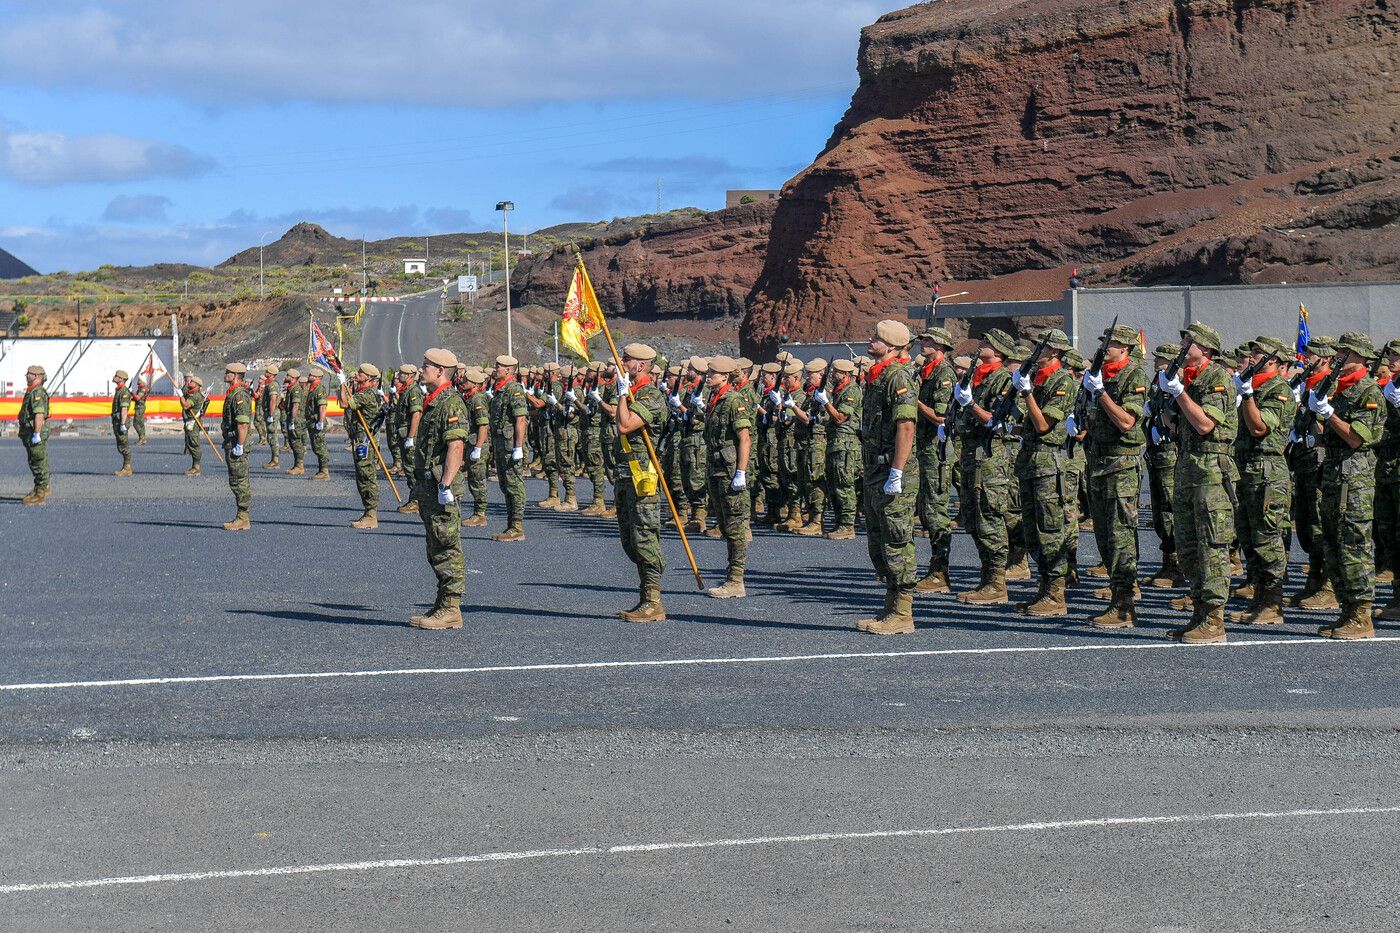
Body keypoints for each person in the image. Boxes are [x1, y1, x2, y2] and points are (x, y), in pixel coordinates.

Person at [1157, 322, 1237, 643]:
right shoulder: (1187, 378)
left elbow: (1205, 424)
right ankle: (1199, 613)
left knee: (1212, 543)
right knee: (1188, 542)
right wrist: (1165, 399)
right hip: (1187, 464)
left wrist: (1179, 393)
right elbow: (1178, 428)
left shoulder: (1216, 377)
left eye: (1188, 341)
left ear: (1204, 349)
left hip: (1211, 469)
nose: (1182, 345)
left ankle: (1215, 620)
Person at [1310, 333, 1387, 639]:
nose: (1338, 356)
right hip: (1334, 475)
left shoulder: (1368, 391)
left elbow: (1356, 437)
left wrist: (1329, 414)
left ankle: (1362, 616)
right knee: (1333, 543)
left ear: (1360, 356)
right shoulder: (1341, 389)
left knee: (1354, 545)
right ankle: (1346, 611)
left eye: (1345, 352)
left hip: (1354, 480)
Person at [1080, 323, 1149, 628]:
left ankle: (1124, 605)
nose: (1104, 347)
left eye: (1112, 343)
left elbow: (1126, 422)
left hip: (1122, 464)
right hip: (1098, 462)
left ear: (1126, 348)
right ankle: (1116, 593)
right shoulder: (1100, 374)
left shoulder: (1134, 375)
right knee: (1104, 536)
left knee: (1121, 535)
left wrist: (1101, 393)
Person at [856, 320, 920, 634]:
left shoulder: (898, 377)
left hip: (893, 470)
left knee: (896, 540)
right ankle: (889, 608)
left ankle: (903, 614)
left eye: (876, 337)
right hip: (875, 469)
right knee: (878, 540)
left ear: (891, 346)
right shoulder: (878, 376)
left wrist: (896, 471)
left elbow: (906, 427)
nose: (871, 339)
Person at [1228, 336, 1297, 625]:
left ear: (1274, 361)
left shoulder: (1278, 389)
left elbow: (1259, 428)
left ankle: (1273, 604)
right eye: (1252, 351)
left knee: (1267, 539)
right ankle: (1258, 599)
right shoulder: (1255, 386)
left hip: (1268, 471)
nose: (1251, 356)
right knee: (1248, 536)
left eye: (1258, 353)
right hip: (1247, 469)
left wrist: (1246, 397)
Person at [1012, 328, 1079, 617]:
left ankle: (1056, 595)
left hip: (1049, 465)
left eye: (1042, 347)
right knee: (1033, 530)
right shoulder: (1041, 380)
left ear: (1055, 352)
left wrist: (1026, 393)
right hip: (1030, 462)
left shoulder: (1062, 381)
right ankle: (1043, 588)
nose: (1036, 351)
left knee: (1051, 530)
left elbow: (1043, 425)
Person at [953, 328, 1019, 605]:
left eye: (988, 342)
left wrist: (969, 405)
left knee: (990, 519)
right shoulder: (979, 378)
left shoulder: (1004, 380)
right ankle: (987, 578)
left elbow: (997, 421)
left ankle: (997, 583)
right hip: (971, 455)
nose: (982, 343)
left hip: (991, 458)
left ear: (1000, 351)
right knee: (975, 519)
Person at [408, 348, 470, 631]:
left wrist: (446, 483)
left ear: (440, 371)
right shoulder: (434, 400)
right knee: (435, 544)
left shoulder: (451, 403)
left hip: (440, 486)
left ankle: (451, 608)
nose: (422, 370)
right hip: (429, 485)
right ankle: (442, 601)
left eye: (426, 366)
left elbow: (456, 446)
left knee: (446, 544)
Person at [613, 343, 668, 621]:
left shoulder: (651, 397)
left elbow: (624, 424)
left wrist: (623, 394)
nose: (622, 362)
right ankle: (644, 594)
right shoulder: (634, 393)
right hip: (625, 475)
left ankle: (653, 600)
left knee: (644, 537)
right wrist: (624, 392)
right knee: (629, 540)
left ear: (642, 365)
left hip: (643, 477)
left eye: (627, 360)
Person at [1287, 336, 1337, 609]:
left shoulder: (1332, 383)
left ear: (1327, 359)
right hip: (1305, 458)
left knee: (1321, 523)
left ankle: (1328, 587)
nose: (1307, 358)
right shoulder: (1309, 383)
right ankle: (1314, 580)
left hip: (1320, 459)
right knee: (1306, 524)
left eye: (1314, 354)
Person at [700, 356, 753, 597]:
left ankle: (736, 580)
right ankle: (731, 577)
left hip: (730, 472)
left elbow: (744, 437)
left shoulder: (733, 400)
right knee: (724, 524)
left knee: (734, 527)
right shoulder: (715, 398)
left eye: (713, 373)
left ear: (724, 376)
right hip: (716, 470)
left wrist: (741, 472)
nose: (707, 376)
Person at [912, 327, 956, 590]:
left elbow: (941, 417)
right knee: (927, 511)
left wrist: (914, 401)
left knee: (937, 512)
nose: (923, 344)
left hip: (936, 450)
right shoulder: (925, 372)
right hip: (923, 448)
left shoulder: (944, 374)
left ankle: (941, 572)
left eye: (928, 341)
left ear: (940, 345)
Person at [1144, 343, 1184, 587]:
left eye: (1160, 358)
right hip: (1157, 452)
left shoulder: (1175, 387)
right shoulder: (1158, 385)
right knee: (1159, 510)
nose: (1156, 362)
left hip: (1171, 452)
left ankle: (1176, 566)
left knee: (1171, 508)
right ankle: (1166, 563)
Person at [488, 355, 529, 542]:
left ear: (508, 370)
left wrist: (518, 447)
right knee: (506, 484)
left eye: (499, 366)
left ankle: (517, 526)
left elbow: (521, 419)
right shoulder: (500, 390)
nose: (496, 368)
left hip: (510, 444)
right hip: (501, 443)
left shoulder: (514, 389)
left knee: (514, 484)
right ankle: (511, 524)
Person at [821, 357, 863, 541]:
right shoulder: (838, 391)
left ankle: (847, 525)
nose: (832, 374)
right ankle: (840, 522)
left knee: (844, 485)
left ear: (845, 374)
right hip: (835, 443)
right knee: (834, 484)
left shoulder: (852, 390)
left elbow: (840, 418)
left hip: (846, 444)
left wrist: (825, 402)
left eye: (836, 372)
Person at [340, 363, 384, 529]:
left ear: (368, 378)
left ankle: (371, 515)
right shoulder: (363, 392)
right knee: (363, 475)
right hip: (361, 438)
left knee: (366, 476)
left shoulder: (365, 394)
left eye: (361, 372)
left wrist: (342, 384)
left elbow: (344, 404)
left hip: (365, 441)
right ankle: (368, 512)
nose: (357, 374)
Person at [1376, 338, 1400, 621]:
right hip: (1387, 470)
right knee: (1390, 536)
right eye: (1390, 354)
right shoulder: (1389, 387)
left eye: (1396, 355)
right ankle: (1397, 596)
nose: (1391, 359)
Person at [791, 358, 829, 535]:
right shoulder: (812, 394)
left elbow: (808, 420)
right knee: (806, 481)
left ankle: (817, 520)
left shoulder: (823, 394)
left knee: (815, 481)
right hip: (807, 443)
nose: (807, 377)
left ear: (821, 374)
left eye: (810, 374)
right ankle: (812, 516)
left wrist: (792, 407)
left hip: (817, 442)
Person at [221, 362, 253, 531]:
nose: (225, 374)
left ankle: (243, 518)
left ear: (235, 375)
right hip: (232, 441)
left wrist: (239, 445)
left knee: (239, 480)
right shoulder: (234, 393)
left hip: (236, 442)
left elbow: (242, 424)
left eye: (228, 372)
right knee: (236, 479)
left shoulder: (239, 395)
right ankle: (242, 516)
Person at [458, 365, 492, 527]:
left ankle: (480, 514)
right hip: (470, 443)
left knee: (478, 480)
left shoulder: (477, 400)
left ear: (475, 384)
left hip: (477, 444)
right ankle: (478, 512)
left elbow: (483, 426)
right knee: (473, 478)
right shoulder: (469, 397)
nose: (462, 382)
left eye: (466, 380)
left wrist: (478, 448)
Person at [394, 365, 425, 515]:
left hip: (409, 435)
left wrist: (411, 437)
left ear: (411, 375)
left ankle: (417, 501)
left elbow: (416, 415)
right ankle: (415, 498)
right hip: (404, 434)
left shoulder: (413, 391)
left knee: (413, 469)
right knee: (408, 468)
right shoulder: (407, 390)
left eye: (403, 373)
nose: (400, 375)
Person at [19, 365, 49, 505]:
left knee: (37, 462)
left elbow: (39, 414)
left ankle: (40, 494)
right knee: (37, 461)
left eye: (29, 374)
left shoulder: (37, 392)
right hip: (30, 432)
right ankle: (40, 488)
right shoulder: (32, 391)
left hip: (34, 432)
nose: (26, 375)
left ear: (36, 376)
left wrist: (36, 433)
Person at [305, 370, 331, 480]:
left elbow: (322, 407)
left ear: (316, 377)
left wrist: (320, 421)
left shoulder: (319, 389)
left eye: (310, 375)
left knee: (320, 446)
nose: (308, 376)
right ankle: (322, 470)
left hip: (317, 422)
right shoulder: (313, 389)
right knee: (317, 446)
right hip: (312, 422)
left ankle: (324, 471)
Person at [180, 375, 207, 475]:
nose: (189, 382)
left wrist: (181, 396)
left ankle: (196, 467)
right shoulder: (191, 394)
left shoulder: (195, 396)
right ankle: (194, 467)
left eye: (192, 381)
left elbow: (186, 405)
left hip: (193, 423)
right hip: (190, 422)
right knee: (191, 444)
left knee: (194, 444)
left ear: (197, 385)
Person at [256, 364, 282, 469]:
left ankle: (275, 460)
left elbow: (273, 399)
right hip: (270, 411)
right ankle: (274, 459)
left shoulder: (272, 385)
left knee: (272, 436)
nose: (265, 373)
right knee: (270, 436)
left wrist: (271, 414)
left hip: (272, 412)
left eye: (267, 371)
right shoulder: (270, 384)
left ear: (270, 374)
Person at [282, 370, 308, 474]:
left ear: (292, 377)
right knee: (293, 442)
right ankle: (297, 465)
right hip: (292, 419)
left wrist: (292, 421)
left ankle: (300, 466)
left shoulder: (296, 389)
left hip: (296, 420)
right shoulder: (291, 388)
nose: (285, 376)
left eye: (288, 375)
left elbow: (295, 406)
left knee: (296, 442)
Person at [111, 369, 133, 476]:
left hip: (121, 421)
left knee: (123, 445)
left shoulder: (123, 392)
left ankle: (127, 467)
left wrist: (122, 424)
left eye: (116, 376)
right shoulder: (119, 390)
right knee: (121, 445)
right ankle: (126, 466)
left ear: (121, 379)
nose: (114, 377)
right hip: (118, 421)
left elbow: (124, 408)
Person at [132, 378, 150, 445]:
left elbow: (138, 398)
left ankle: (142, 438)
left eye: (140, 381)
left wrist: (132, 394)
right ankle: (143, 439)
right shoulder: (141, 389)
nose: (138, 382)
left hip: (139, 407)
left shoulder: (142, 389)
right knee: (141, 424)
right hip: (140, 407)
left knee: (136, 423)